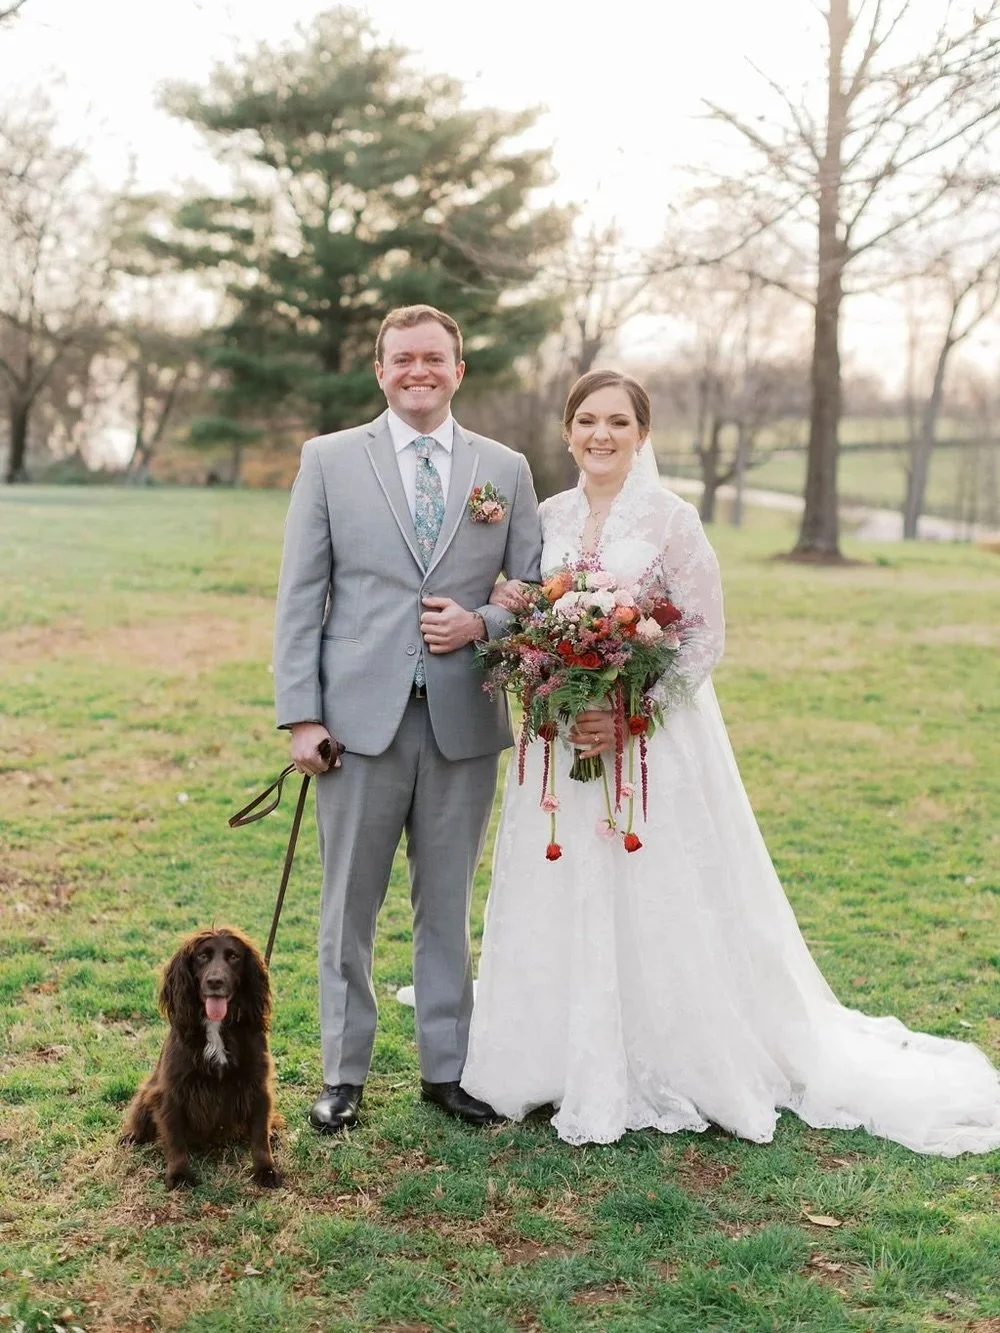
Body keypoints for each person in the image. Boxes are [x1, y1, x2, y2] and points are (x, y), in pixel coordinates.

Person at [460, 368, 1000, 1155]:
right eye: (587, 420)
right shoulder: (548, 516)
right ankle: (555, 1050)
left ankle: (675, 1049)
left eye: (618, 422)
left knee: (655, 883)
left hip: (647, 742)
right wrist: (547, 662)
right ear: (568, 431)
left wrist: (630, 709)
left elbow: (704, 635)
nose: (601, 434)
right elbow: (530, 612)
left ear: (643, 434)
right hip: (564, 739)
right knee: (566, 875)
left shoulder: (673, 519)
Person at [272, 304, 542, 1133]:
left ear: (459, 370)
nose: (417, 371)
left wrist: (481, 623)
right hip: (356, 725)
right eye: (402, 358)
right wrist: (301, 717)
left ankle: (447, 1070)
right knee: (347, 905)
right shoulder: (327, 460)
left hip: (464, 721)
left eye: (433, 358)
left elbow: (533, 588)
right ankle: (343, 1072)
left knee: (447, 903)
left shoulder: (505, 469)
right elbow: (300, 596)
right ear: (380, 370)